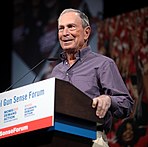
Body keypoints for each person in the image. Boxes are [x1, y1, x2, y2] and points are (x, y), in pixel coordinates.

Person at [50, 8, 134, 147]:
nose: (65, 33)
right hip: (57, 139)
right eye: (61, 28)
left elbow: (126, 104)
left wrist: (108, 99)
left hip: (92, 138)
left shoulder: (103, 64)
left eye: (71, 27)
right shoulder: (56, 71)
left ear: (87, 32)